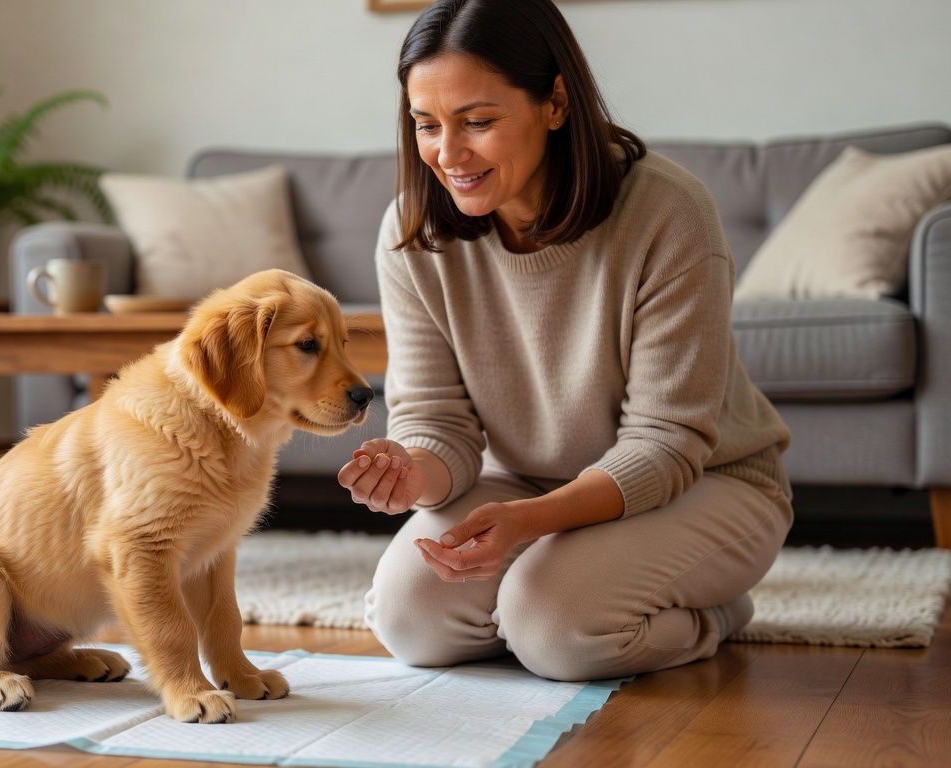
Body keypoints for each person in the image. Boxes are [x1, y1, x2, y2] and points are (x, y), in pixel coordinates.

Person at [337, 0, 793, 682]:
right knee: (409, 622)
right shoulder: (412, 232)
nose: (448, 154)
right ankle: (557, 600)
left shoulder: (667, 211)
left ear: (554, 102)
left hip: (709, 481)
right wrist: (412, 473)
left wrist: (529, 523)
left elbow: (667, 444)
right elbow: (436, 422)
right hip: (522, 479)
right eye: (425, 125)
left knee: (555, 631)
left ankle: (714, 616)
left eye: (478, 122)